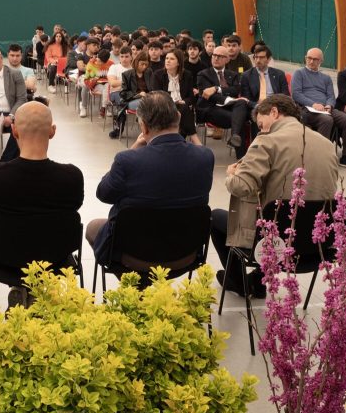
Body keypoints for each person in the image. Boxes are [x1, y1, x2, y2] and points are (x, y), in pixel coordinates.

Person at [211, 94, 339, 298]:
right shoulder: (327, 144)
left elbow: (241, 186)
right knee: (280, 213)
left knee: (215, 217)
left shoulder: (267, 141)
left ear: (274, 111)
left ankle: (239, 282)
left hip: (273, 243)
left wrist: (231, 175)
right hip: (318, 245)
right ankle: (257, 280)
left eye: (261, 125)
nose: (261, 131)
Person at [0, 101, 84, 304]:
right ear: (52, 132)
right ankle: (36, 291)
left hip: (4, 258)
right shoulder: (72, 176)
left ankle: (19, 287)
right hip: (55, 258)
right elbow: (74, 206)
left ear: (14, 131)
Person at [87, 91, 214, 265]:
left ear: (144, 127)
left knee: (93, 227)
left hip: (134, 254)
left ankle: (136, 281)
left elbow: (104, 193)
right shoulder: (205, 157)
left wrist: (134, 148)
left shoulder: (127, 160)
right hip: (185, 254)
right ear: (178, 117)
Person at [291, 47, 346, 171]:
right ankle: (320, 157)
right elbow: (296, 94)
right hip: (306, 109)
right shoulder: (299, 73)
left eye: (315, 59)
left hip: (325, 109)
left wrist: (329, 105)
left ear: (321, 61)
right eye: (309, 58)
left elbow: (331, 96)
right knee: (326, 120)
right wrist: (313, 104)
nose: (311, 61)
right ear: (305, 58)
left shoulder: (326, 78)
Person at [196, 47, 251, 153]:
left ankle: (234, 136)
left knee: (241, 103)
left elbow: (236, 90)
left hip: (229, 108)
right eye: (214, 55)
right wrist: (229, 98)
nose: (216, 58)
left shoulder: (233, 74)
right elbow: (208, 96)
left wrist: (217, 89)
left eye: (220, 56)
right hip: (209, 108)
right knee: (240, 119)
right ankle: (241, 156)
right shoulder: (203, 74)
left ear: (227, 59)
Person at [150, 49, 199, 143]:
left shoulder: (187, 75)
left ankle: (178, 141)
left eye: (172, 59)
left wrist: (184, 101)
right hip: (164, 106)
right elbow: (157, 96)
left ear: (178, 63)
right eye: (166, 58)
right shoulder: (158, 75)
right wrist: (173, 102)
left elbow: (191, 97)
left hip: (182, 105)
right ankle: (193, 138)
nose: (168, 61)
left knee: (183, 108)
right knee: (185, 110)